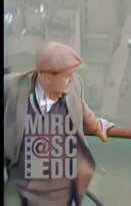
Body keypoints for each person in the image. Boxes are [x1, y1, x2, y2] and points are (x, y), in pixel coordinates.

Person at [4, 41, 115, 206]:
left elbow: (86, 114)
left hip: (64, 191)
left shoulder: (75, 86)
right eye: (67, 77)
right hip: (25, 189)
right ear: (47, 77)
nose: (71, 81)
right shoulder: (13, 87)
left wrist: (99, 126)